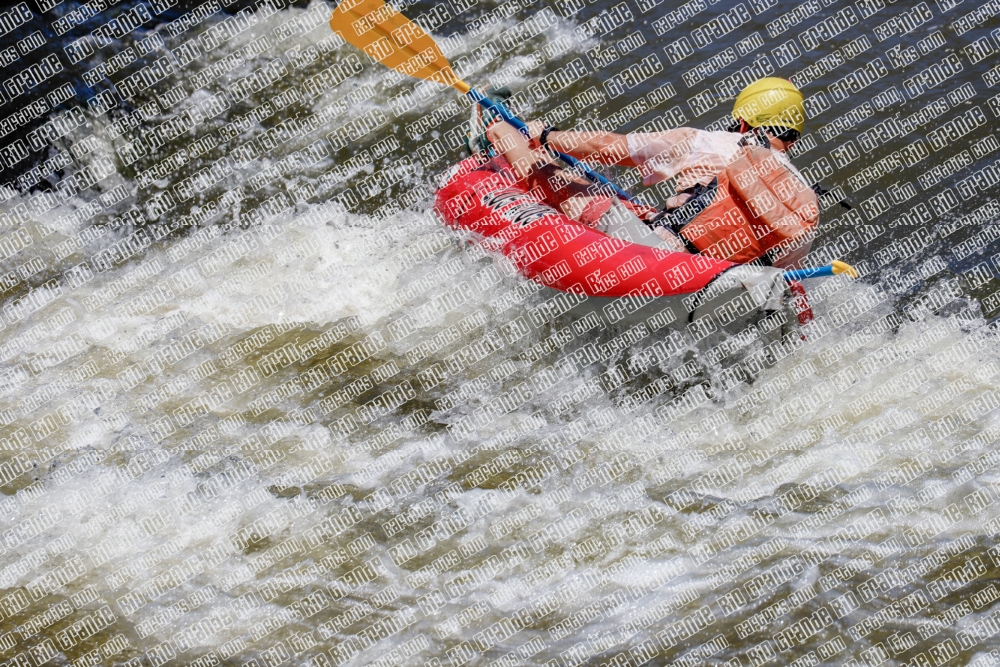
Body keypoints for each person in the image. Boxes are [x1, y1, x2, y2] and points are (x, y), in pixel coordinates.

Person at [482, 78, 819, 269]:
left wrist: (547, 136)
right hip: (709, 282)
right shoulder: (802, 197)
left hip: (654, 254)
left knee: (543, 166)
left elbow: (611, 148)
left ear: (743, 121)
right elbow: (779, 271)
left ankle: (494, 128)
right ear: (793, 136)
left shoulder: (709, 140)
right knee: (630, 205)